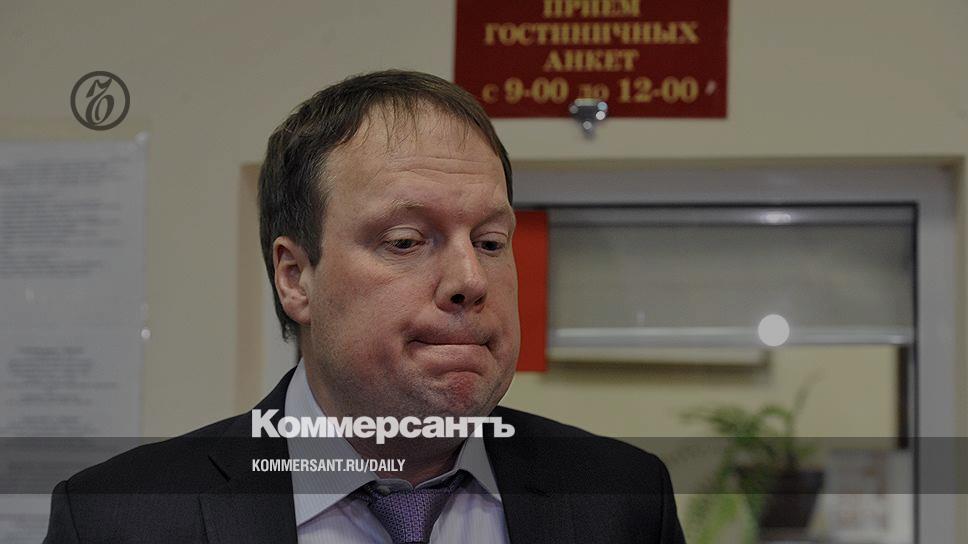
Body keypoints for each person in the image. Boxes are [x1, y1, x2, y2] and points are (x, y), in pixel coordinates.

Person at [44, 70, 686, 543]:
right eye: (405, 241)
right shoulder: (118, 519)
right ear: (295, 278)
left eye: (491, 242)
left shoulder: (623, 500)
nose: (470, 279)